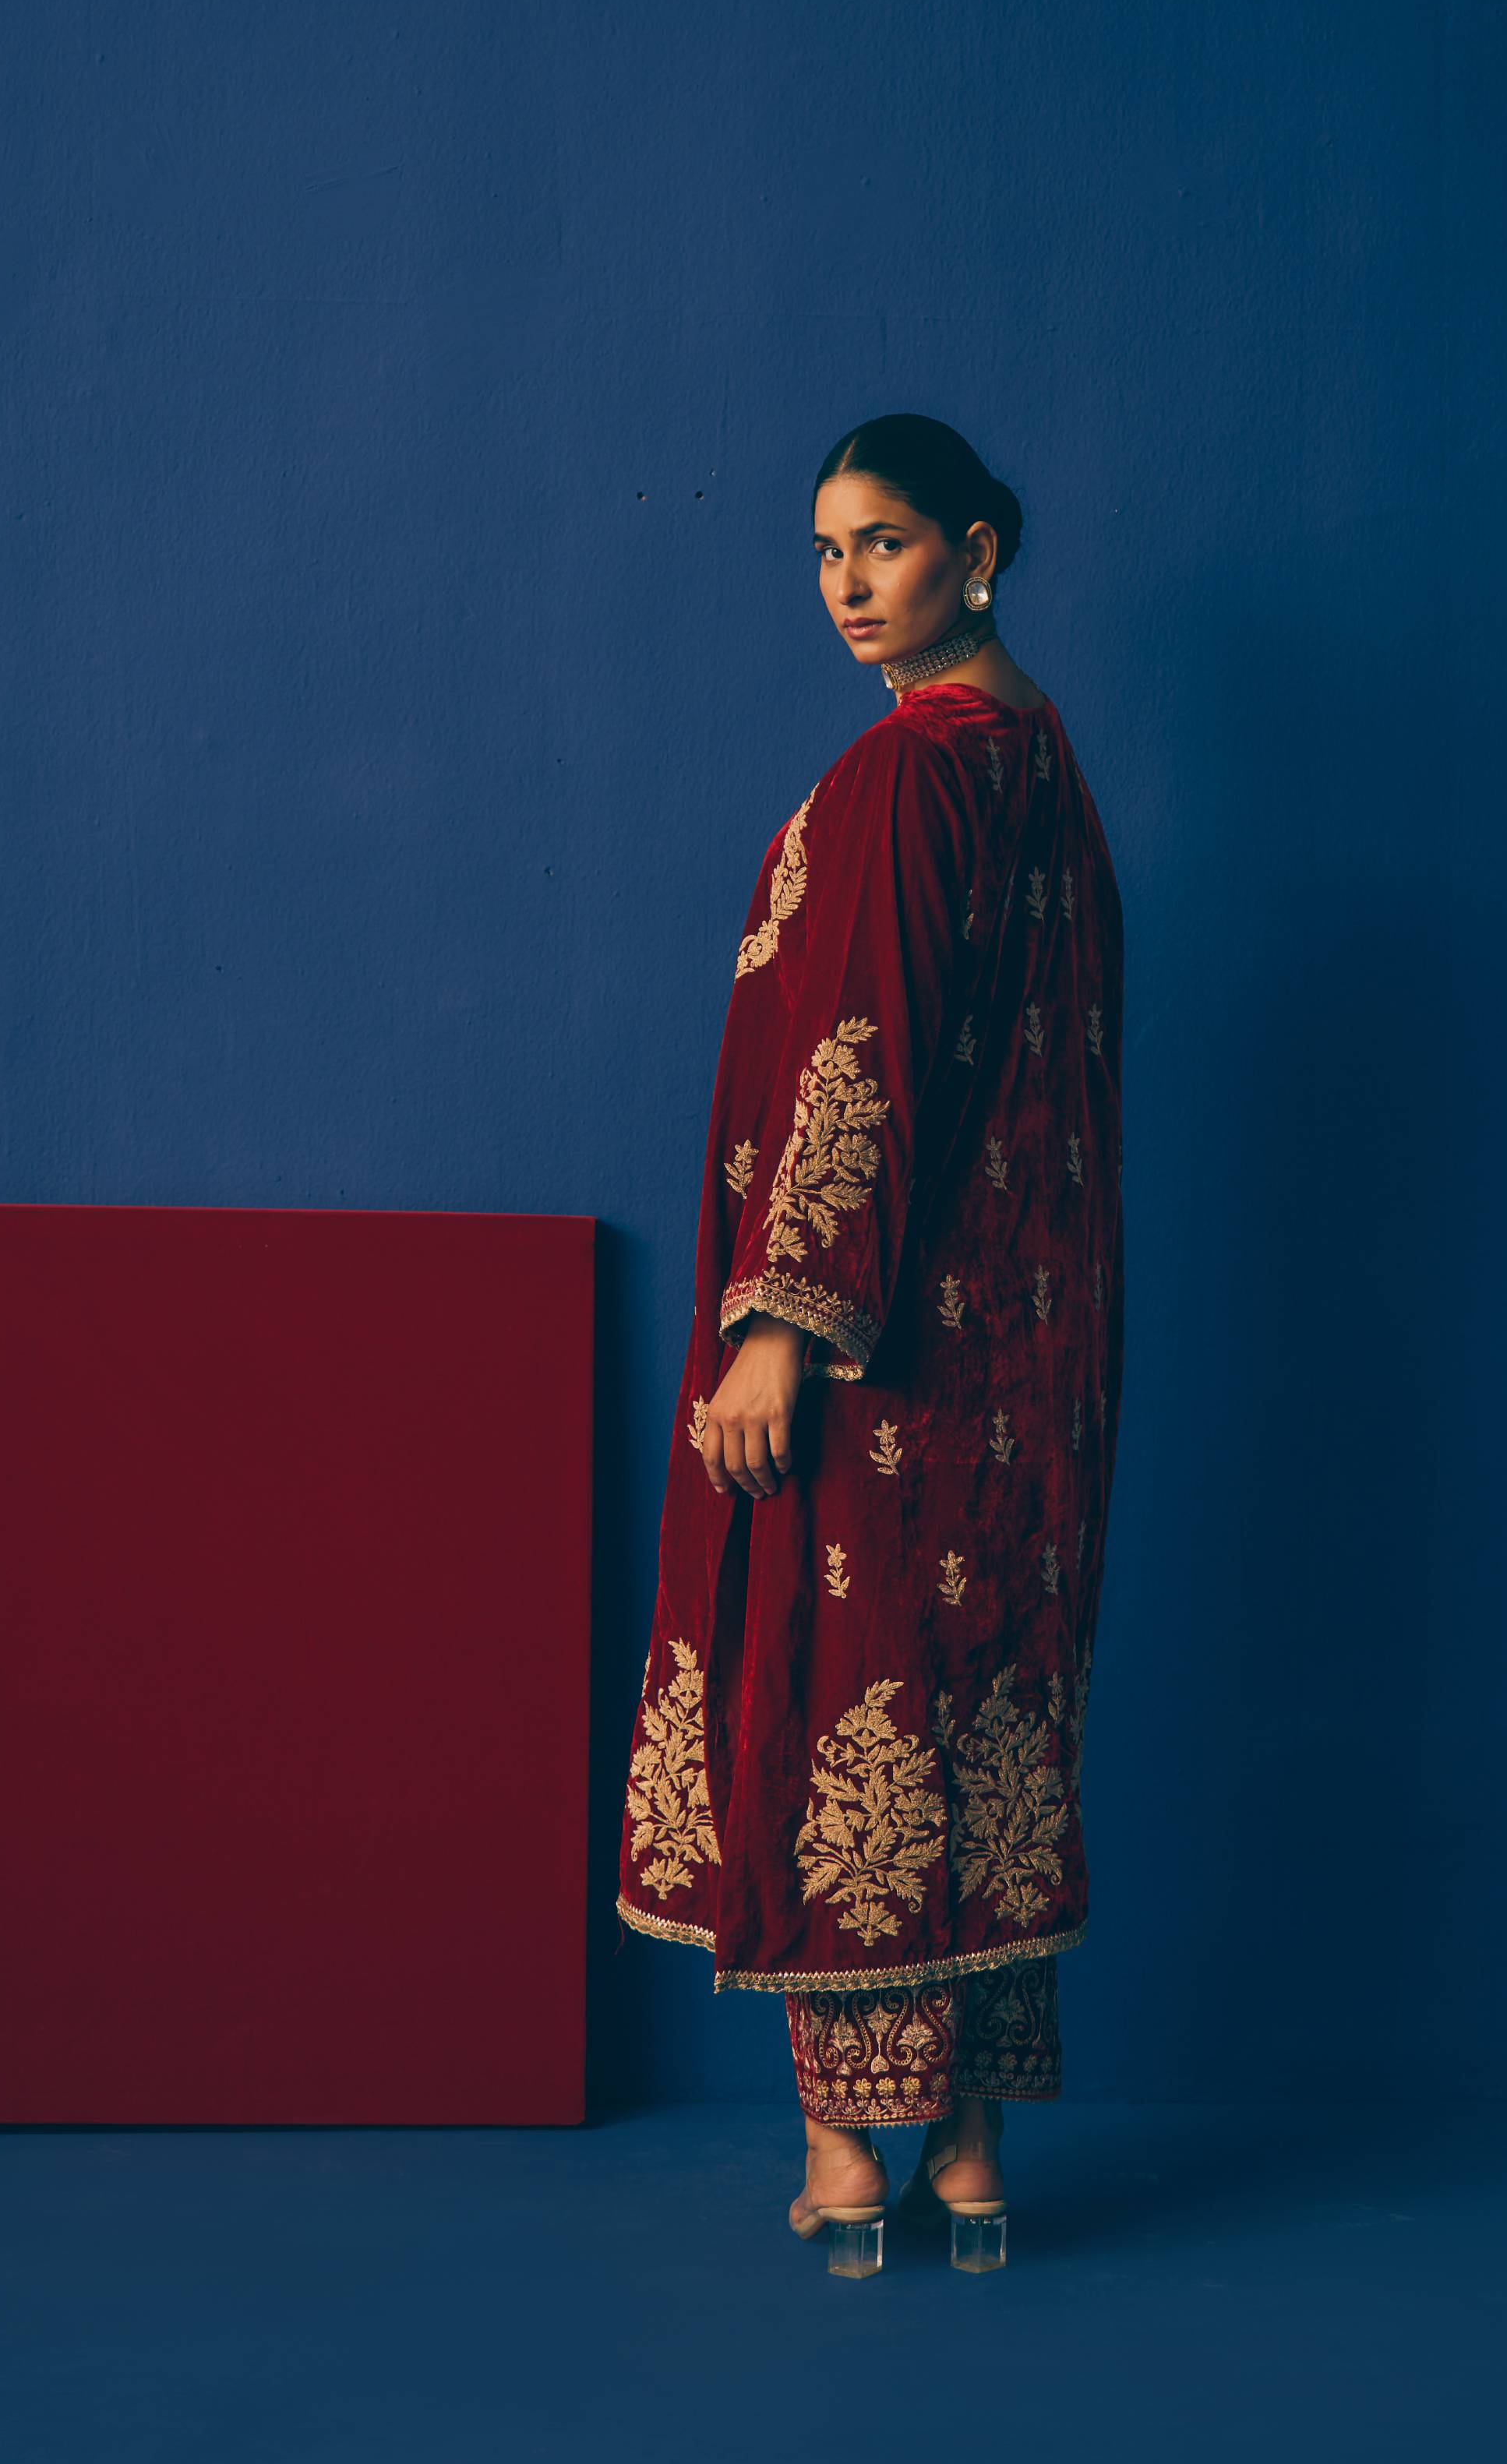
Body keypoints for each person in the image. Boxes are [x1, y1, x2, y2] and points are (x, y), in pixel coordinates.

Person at [617, 413, 1124, 2275]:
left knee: (832, 1696)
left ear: (976, 551)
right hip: (1024, 1371)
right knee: (973, 1706)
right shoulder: (1041, 761)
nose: (846, 583)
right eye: (826, 550)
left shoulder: (914, 769)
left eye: (886, 543)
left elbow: (864, 1049)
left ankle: (846, 2172)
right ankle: (969, 2163)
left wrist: (779, 1324)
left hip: (881, 1359)